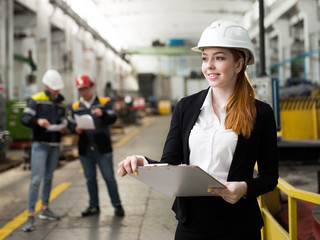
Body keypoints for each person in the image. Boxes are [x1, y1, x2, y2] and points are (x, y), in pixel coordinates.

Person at [117, 20, 279, 240]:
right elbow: (172, 164)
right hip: (192, 223)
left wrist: (243, 188)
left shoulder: (261, 113)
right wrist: (145, 163)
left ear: (239, 64)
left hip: (239, 225)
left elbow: (269, 177)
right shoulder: (186, 107)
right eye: (205, 58)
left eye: (219, 58)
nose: (209, 66)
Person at [68, 75, 124, 217]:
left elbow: (113, 118)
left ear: (92, 87)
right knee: (90, 179)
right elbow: (70, 124)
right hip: (85, 149)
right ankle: (94, 206)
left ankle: (117, 205)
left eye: (85, 89)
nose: (83, 92)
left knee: (109, 178)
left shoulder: (104, 102)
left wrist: (103, 113)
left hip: (103, 148)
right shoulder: (75, 107)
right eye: (80, 90)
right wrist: (75, 128)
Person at [20, 69, 68, 232]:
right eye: (54, 88)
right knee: (36, 180)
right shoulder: (36, 100)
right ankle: (30, 216)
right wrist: (38, 121)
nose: (57, 91)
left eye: (58, 88)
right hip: (40, 144)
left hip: (54, 144)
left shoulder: (60, 102)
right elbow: (24, 118)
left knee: (48, 177)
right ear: (47, 85)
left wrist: (63, 126)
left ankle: (45, 208)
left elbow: (62, 119)